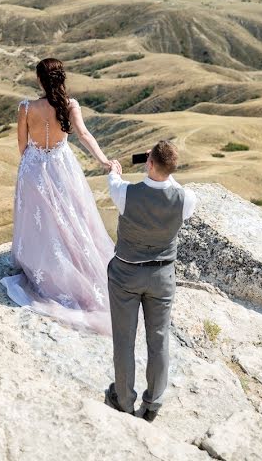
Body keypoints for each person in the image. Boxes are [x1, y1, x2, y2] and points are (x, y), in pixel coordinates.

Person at [0, 58, 116, 335]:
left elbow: (21, 144)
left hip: (34, 167)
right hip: (63, 166)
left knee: (41, 220)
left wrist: (34, 164)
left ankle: (43, 267)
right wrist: (104, 160)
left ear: (40, 80)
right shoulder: (70, 105)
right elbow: (85, 135)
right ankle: (73, 265)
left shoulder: (26, 107)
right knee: (70, 217)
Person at [103, 140, 199, 422]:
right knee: (158, 340)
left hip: (127, 274)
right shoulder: (186, 199)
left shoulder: (125, 193)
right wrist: (164, 170)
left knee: (124, 339)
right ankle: (153, 403)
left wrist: (116, 170)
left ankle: (123, 399)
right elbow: (175, 187)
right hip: (162, 277)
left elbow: (114, 179)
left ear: (149, 163)